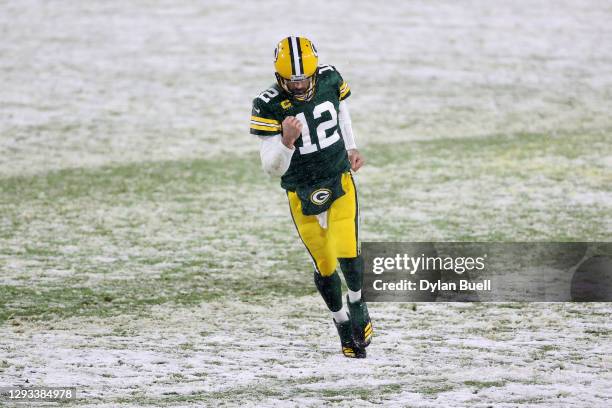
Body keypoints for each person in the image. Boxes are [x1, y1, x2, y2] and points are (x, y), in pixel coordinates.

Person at [250, 36, 372, 358]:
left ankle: (358, 302)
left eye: (304, 77)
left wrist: (351, 146)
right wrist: (286, 142)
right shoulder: (268, 104)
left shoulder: (330, 77)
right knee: (326, 263)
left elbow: (341, 111)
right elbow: (270, 168)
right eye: (292, 80)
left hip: (337, 176)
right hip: (300, 189)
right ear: (280, 77)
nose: (300, 84)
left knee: (347, 249)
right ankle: (342, 322)